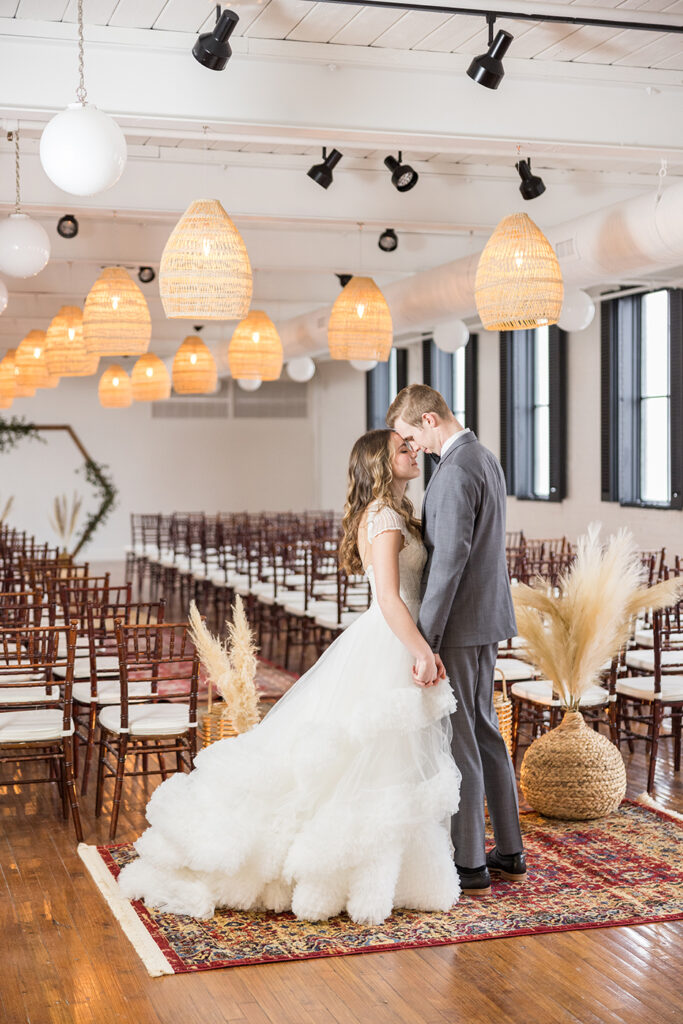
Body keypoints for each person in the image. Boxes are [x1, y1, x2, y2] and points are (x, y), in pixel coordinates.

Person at [118, 429, 461, 925]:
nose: (413, 453)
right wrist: (421, 651)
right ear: (380, 466)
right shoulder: (384, 516)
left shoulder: (395, 511)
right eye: (402, 449)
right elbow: (389, 597)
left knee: (387, 761)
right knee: (375, 757)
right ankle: (348, 871)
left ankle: (387, 871)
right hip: (391, 638)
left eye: (412, 446)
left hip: (389, 636)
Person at [387, 384, 526, 897]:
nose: (411, 448)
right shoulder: (483, 457)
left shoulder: (456, 469)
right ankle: (509, 850)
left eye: (409, 436)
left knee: (462, 736)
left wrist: (427, 639)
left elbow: (448, 564)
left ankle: (470, 861)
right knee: (485, 731)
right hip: (485, 619)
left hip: (461, 627)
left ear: (428, 419)